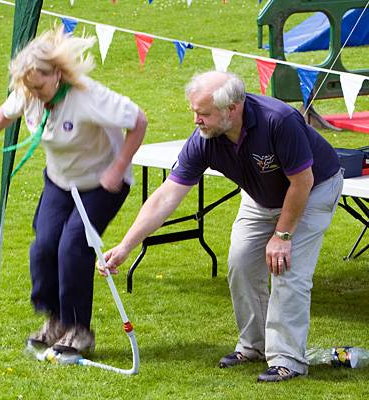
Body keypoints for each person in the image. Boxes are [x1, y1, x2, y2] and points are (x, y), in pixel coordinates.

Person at [100, 71, 343, 382]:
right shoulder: (205, 139)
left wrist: (282, 236)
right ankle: (253, 346)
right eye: (194, 112)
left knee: (287, 270)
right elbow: (166, 197)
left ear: (233, 109)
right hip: (261, 196)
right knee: (240, 262)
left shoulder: (278, 120)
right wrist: (124, 246)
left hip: (312, 190)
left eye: (204, 113)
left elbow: (302, 181)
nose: (196, 121)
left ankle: (288, 360)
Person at [0, 27, 147, 355]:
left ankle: (80, 331)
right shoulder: (29, 91)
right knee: (44, 247)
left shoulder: (88, 96)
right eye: (29, 88)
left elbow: (139, 120)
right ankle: (56, 321)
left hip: (101, 184)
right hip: (60, 181)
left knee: (73, 247)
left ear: (58, 75)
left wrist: (118, 167)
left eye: (39, 86)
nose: (33, 94)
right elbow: (6, 113)